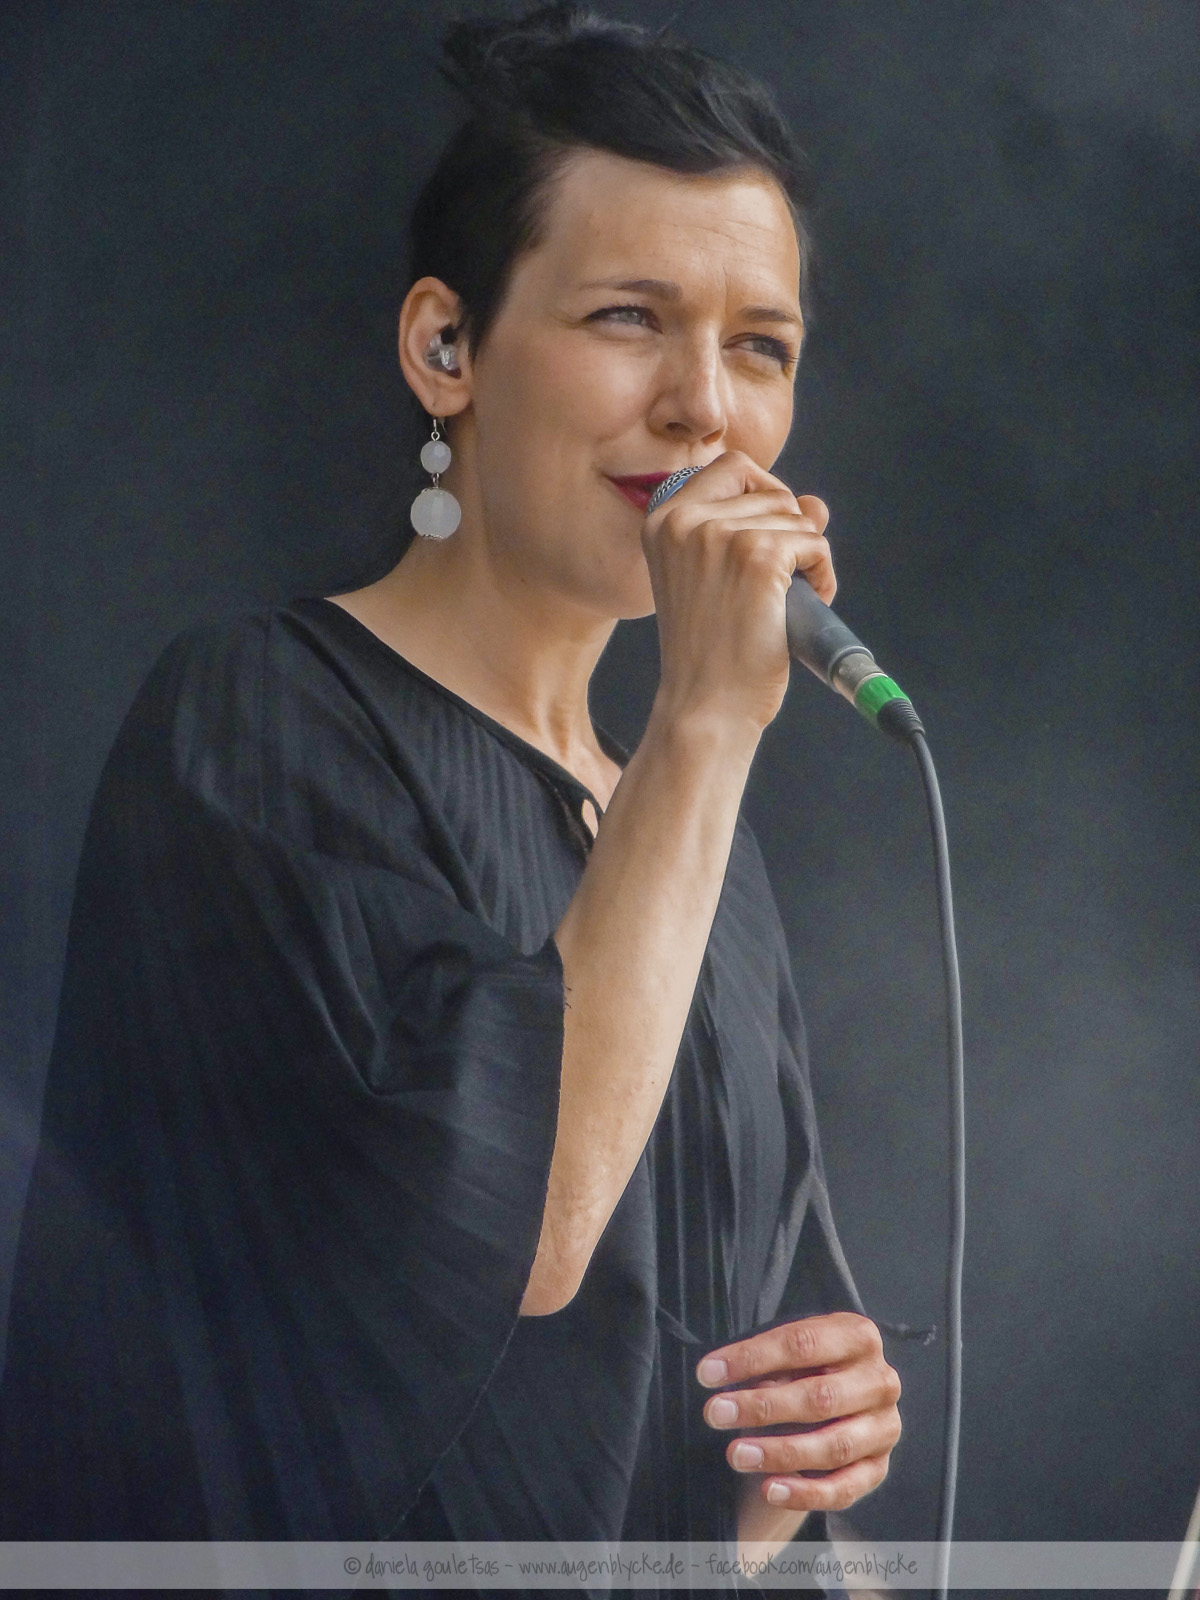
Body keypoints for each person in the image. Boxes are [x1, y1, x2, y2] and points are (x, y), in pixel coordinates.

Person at [0, 0, 901, 1565]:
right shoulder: (256, 722)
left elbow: (693, 1471)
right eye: (629, 317)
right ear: (446, 347)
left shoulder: (708, 853)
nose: (706, 406)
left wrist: (785, 1488)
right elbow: (500, 1241)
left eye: (761, 347)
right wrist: (704, 722)